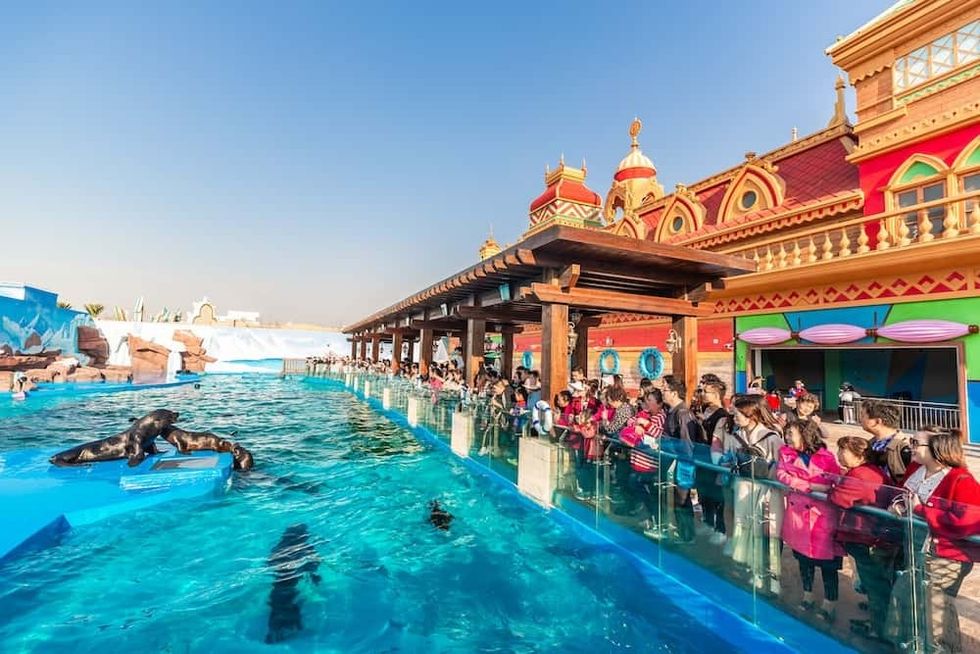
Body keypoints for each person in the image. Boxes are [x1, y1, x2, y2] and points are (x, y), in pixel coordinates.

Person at [901, 428, 980, 653]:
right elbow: (902, 495)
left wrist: (921, 510)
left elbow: (967, 521)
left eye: (916, 443)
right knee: (920, 605)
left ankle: (943, 649)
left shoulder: (961, 480)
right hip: (917, 548)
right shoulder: (917, 470)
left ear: (937, 449)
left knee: (937, 609)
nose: (911, 447)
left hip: (945, 555)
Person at [828, 436, 894, 641]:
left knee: (876, 586)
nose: (838, 455)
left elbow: (837, 498)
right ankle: (878, 623)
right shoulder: (873, 472)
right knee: (877, 585)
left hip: (866, 537)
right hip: (874, 536)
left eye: (843, 451)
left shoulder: (859, 476)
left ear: (859, 455)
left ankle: (880, 629)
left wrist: (832, 488)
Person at [777, 419, 843, 622]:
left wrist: (819, 487)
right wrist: (810, 486)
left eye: (791, 434)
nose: (787, 437)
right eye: (787, 433)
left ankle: (830, 603)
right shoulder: (785, 453)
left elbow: (835, 480)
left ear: (806, 435)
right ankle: (807, 595)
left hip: (822, 517)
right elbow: (781, 474)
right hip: (798, 516)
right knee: (804, 560)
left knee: (828, 564)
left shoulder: (827, 456)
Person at [723, 394, 783, 587]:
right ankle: (749, 567)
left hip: (766, 491)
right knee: (744, 526)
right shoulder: (737, 436)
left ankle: (772, 576)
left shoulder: (772, 437)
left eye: (739, 413)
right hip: (743, 487)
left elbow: (780, 466)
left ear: (752, 415)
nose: (735, 417)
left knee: (767, 532)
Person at [661, 375, 699, 543]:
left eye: (665, 389)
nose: (663, 393)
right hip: (674, 461)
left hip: (682, 463)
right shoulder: (672, 412)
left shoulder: (682, 413)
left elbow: (687, 444)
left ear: (674, 393)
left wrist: (668, 447)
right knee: (677, 498)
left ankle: (687, 535)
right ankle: (683, 531)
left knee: (682, 499)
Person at [696, 380, 729, 545]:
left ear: (716, 395)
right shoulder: (703, 410)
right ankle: (707, 522)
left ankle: (720, 528)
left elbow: (718, 440)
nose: (702, 394)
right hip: (702, 459)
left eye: (706, 391)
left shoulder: (722, 415)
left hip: (714, 461)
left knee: (718, 496)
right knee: (704, 493)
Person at [861, 399, 912, 485]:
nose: (860, 419)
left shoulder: (904, 449)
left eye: (863, 416)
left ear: (877, 421)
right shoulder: (869, 444)